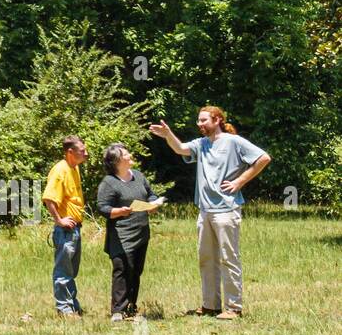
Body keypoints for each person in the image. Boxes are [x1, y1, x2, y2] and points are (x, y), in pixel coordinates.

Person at [149, 106, 271, 319]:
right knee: (206, 259)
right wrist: (168, 135)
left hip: (226, 210)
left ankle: (234, 308)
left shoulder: (234, 142)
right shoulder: (202, 144)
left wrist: (240, 181)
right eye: (198, 120)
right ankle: (210, 305)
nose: (200, 124)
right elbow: (181, 149)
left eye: (204, 120)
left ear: (217, 120)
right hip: (205, 211)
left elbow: (263, 158)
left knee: (228, 258)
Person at [96, 143, 161, 321]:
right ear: (117, 161)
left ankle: (131, 307)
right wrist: (119, 212)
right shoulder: (109, 183)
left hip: (141, 233)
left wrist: (154, 204)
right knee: (122, 270)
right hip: (121, 235)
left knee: (136, 270)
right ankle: (118, 310)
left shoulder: (138, 176)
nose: (130, 155)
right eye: (126, 154)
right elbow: (102, 208)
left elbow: (151, 194)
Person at [42, 136, 88, 316]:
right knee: (63, 270)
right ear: (70, 152)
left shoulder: (74, 168)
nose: (86, 153)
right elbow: (49, 198)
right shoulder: (59, 171)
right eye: (82, 150)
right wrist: (59, 220)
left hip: (75, 228)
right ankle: (64, 309)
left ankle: (72, 305)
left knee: (71, 270)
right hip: (65, 230)